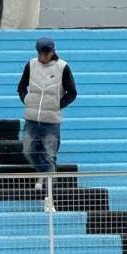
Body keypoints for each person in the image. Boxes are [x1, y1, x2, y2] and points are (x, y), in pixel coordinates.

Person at [17, 38, 77, 212]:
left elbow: (72, 92)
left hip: (51, 121)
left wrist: (58, 105)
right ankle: (43, 175)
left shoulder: (63, 67)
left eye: (46, 52)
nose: (43, 55)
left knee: (50, 156)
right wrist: (27, 100)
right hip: (31, 118)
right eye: (40, 52)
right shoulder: (31, 65)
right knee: (28, 151)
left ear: (52, 51)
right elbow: (21, 86)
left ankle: (49, 198)